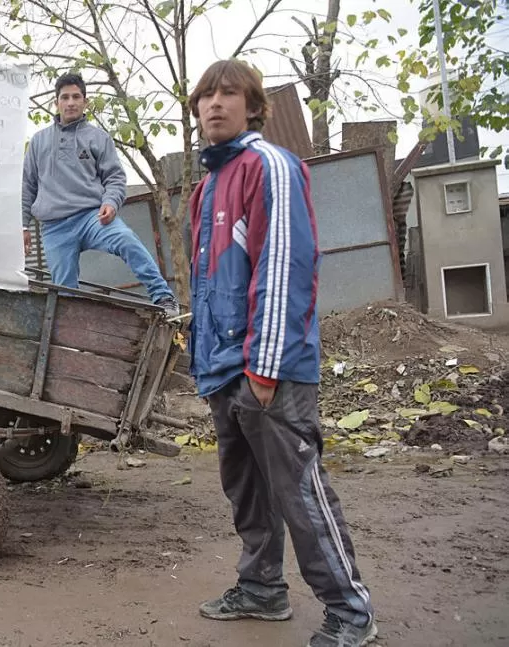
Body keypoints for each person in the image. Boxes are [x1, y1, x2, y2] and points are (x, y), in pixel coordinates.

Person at [186, 59, 377, 647]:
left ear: (253, 107)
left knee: (298, 490)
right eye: (205, 96)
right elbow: (205, 281)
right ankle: (262, 589)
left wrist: (264, 366)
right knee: (247, 489)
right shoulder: (206, 186)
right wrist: (205, 361)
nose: (214, 104)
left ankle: (350, 612)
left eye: (228, 94)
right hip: (224, 369)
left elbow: (285, 267)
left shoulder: (269, 165)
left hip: (267, 368)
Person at [21, 73, 179, 316]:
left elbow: (115, 178)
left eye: (76, 97)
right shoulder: (38, 142)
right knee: (63, 293)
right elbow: (28, 187)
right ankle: (71, 340)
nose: (71, 102)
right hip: (55, 228)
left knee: (127, 240)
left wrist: (111, 203)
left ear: (85, 101)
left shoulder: (98, 138)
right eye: (65, 97)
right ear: (57, 103)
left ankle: (163, 297)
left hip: (93, 217)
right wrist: (23, 226)